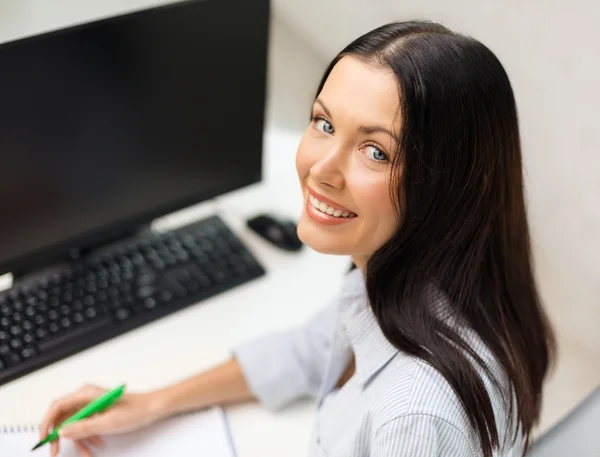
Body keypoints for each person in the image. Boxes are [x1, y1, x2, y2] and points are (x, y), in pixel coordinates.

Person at [39, 21, 555, 457]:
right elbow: (309, 352)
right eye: (324, 123)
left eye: (376, 151)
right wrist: (156, 403)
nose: (320, 170)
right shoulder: (413, 276)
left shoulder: (414, 418)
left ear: (448, 184)